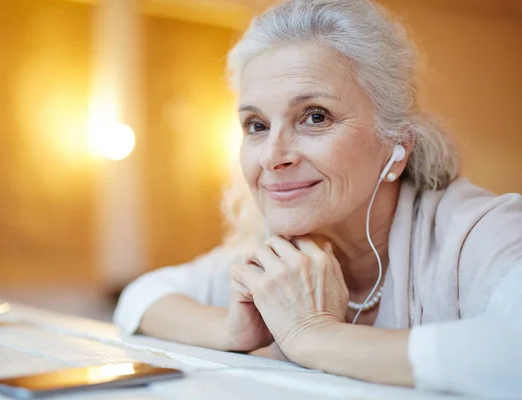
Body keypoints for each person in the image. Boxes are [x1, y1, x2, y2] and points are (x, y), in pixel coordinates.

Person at [114, 0, 522, 397]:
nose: (273, 156)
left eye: (315, 116)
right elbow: (141, 297)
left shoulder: (484, 232)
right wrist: (228, 330)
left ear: (397, 146)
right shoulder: (276, 251)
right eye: (256, 125)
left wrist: (314, 336)